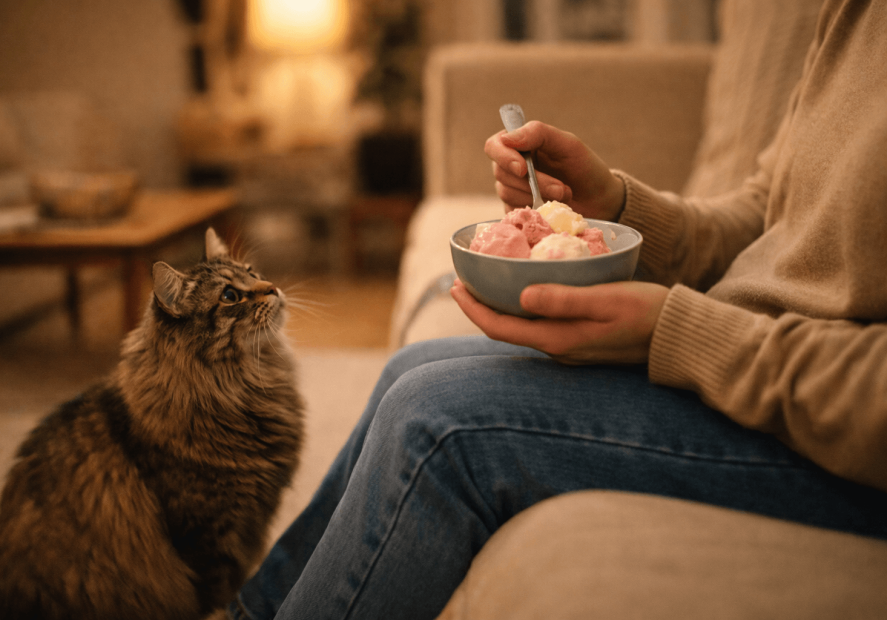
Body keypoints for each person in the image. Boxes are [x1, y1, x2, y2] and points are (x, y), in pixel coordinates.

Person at [227, 1, 887, 618]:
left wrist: (678, 333)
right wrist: (615, 207)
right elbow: (773, 214)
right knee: (411, 371)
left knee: (435, 419)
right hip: (756, 362)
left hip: (834, 446)